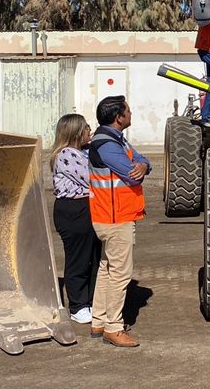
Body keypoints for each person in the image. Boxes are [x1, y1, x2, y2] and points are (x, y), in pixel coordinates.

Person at [88, 96, 151, 347]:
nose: (131, 114)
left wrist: (143, 165)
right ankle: (113, 327)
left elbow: (142, 161)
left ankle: (99, 320)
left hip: (112, 216)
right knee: (120, 275)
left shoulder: (115, 139)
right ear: (119, 117)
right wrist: (140, 168)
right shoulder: (108, 145)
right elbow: (132, 176)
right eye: (129, 111)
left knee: (107, 269)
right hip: (115, 218)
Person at [50, 114, 101, 325]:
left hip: (87, 208)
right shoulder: (66, 154)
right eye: (86, 128)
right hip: (74, 210)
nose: (90, 131)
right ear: (76, 132)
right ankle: (78, 306)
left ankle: (90, 301)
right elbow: (91, 177)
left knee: (93, 258)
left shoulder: (83, 151)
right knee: (78, 259)